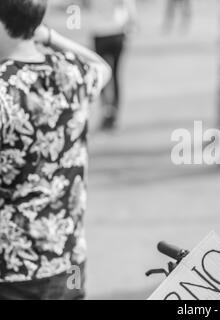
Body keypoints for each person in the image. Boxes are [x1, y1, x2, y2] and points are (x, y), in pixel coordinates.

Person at [0, 0, 111, 299]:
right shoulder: (72, 74)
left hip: (14, 271)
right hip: (70, 264)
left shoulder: (4, 88)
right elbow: (102, 67)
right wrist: (49, 36)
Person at [89, 0, 137, 131]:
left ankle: (107, 112)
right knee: (115, 75)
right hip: (116, 31)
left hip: (100, 33)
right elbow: (129, 7)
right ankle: (113, 113)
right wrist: (131, 24)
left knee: (103, 76)